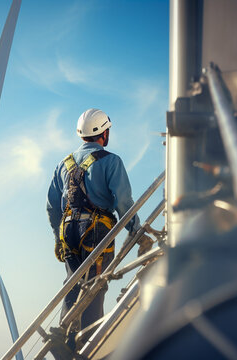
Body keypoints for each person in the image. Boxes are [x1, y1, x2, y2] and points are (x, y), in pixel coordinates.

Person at [46, 108, 152, 349]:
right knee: (95, 285)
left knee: (74, 283)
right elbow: (123, 201)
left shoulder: (63, 165)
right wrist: (138, 233)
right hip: (95, 230)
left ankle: (65, 340)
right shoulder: (111, 161)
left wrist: (57, 239)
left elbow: (52, 206)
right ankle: (89, 347)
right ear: (104, 134)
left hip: (68, 230)